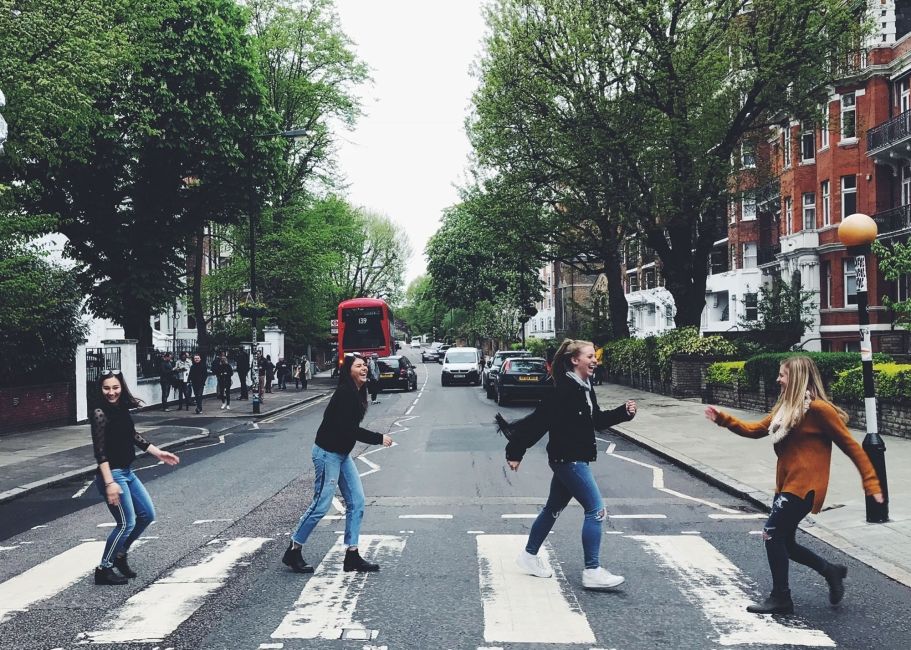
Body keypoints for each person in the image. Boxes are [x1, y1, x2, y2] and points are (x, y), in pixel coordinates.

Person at [705, 355, 884, 615]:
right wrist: (723, 419)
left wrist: (871, 482)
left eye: (782, 375)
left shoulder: (819, 410)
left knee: (771, 534)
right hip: (786, 486)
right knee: (786, 543)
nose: (778, 379)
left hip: (805, 487)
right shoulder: (785, 408)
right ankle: (831, 571)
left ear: (797, 377)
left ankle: (781, 598)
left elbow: (851, 446)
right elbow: (755, 429)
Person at [495, 338, 637, 591]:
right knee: (596, 510)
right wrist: (515, 451)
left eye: (594, 356)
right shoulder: (561, 389)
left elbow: (596, 420)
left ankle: (528, 556)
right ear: (575, 360)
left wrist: (623, 413)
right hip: (568, 459)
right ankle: (592, 570)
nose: (595, 360)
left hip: (573, 458)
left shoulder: (584, 386)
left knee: (552, 508)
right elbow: (539, 422)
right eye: (590, 356)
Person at [282, 352, 393, 574]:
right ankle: (293, 550)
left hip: (342, 454)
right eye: (358, 366)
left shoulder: (358, 392)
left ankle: (352, 555)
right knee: (321, 505)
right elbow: (349, 429)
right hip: (327, 453)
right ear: (348, 371)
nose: (363, 368)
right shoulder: (345, 394)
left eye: (365, 366)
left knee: (357, 502)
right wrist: (378, 438)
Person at [90, 370, 180, 584]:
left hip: (127, 472)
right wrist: (110, 483)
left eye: (115, 387)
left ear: (121, 387)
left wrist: (158, 452)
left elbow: (132, 435)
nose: (111, 392)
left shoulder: (120, 408)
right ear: (100, 390)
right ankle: (104, 569)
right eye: (106, 388)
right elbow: (100, 451)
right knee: (125, 523)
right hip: (112, 475)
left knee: (147, 514)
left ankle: (120, 554)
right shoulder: (100, 413)